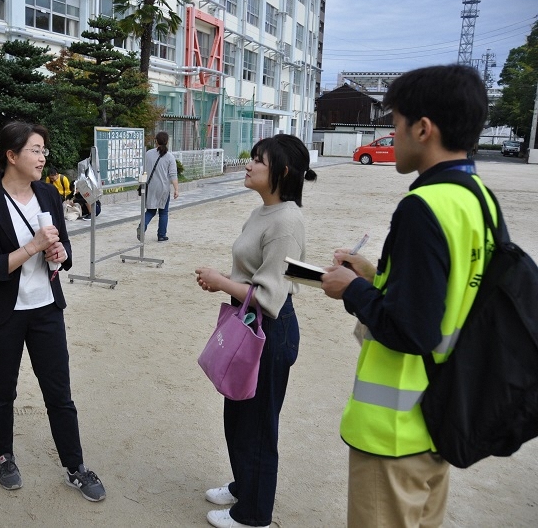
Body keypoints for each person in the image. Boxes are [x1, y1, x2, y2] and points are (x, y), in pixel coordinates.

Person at [320, 65, 492, 528]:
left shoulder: (422, 207)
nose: (391, 135)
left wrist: (351, 288)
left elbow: (411, 329)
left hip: (396, 429)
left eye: (395, 123)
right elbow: (450, 296)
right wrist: (375, 275)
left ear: (423, 128)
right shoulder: (479, 200)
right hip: (442, 414)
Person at [0, 121, 106, 502]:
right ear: (11, 156)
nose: (43, 157)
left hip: (46, 308)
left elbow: (64, 249)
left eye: (44, 150)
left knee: (59, 391)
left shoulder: (47, 194)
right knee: (2, 389)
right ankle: (4, 456)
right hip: (3, 312)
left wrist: (59, 253)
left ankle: (75, 466)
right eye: (35, 150)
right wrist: (33, 246)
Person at [194, 134, 317, 528]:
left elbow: (270, 295)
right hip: (248, 322)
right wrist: (226, 283)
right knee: (238, 413)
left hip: (269, 329)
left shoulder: (286, 221)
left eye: (258, 160)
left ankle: (254, 514)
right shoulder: (263, 211)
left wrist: (220, 282)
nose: (248, 164)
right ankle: (245, 486)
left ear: (282, 171)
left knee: (259, 424)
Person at [140, 131, 179, 241]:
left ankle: (142, 227)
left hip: (150, 187)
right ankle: (161, 235)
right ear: (167, 142)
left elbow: (144, 170)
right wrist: (176, 189)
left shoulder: (148, 154)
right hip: (164, 188)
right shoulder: (170, 157)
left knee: (150, 211)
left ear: (156, 141)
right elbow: (173, 175)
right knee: (163, 212)